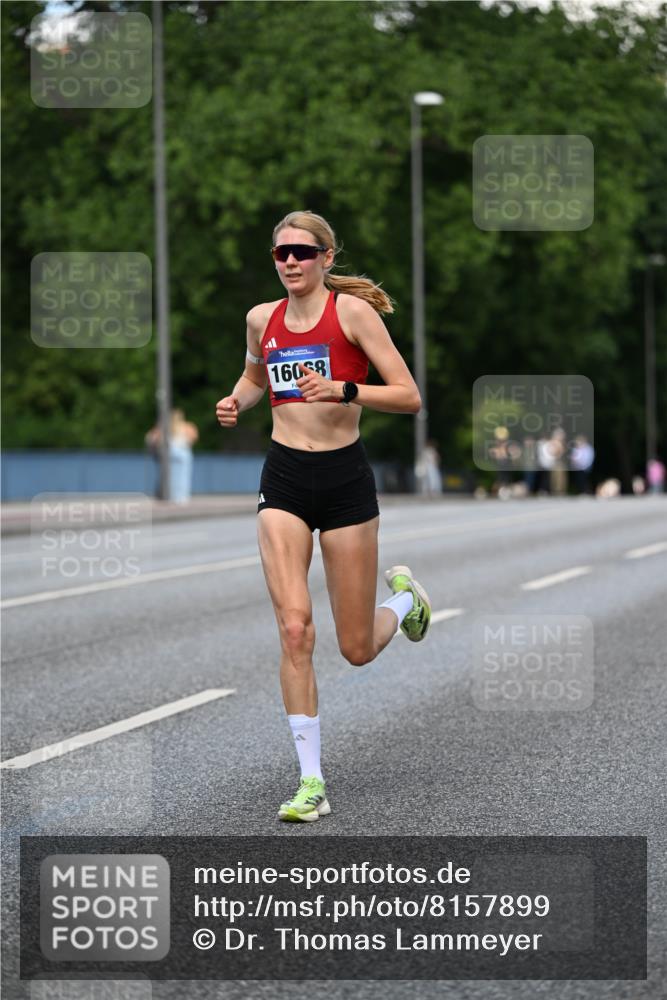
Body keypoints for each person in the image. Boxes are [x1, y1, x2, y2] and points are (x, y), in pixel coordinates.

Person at [215, 210, 431, 822]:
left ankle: (406, 602)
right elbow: (255, 377)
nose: (290, 261)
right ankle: (311, 781)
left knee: (356, 648)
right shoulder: (262, 319)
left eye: (302, 252)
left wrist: (343, 389)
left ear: (326, 258)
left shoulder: (352, 314)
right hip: (284, 477)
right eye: (281, 252)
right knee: (294, 629)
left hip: (344, 482)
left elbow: (410, 396)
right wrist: (237, 400)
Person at [145, 409, 199, 502]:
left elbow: (151, 438)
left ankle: (174, 496)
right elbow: (194, 437)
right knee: (180, 477)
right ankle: (179, 496)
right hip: (180, 454)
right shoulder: (180, 427)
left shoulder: (170, 427)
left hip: (173, 454)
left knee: (172, 477)